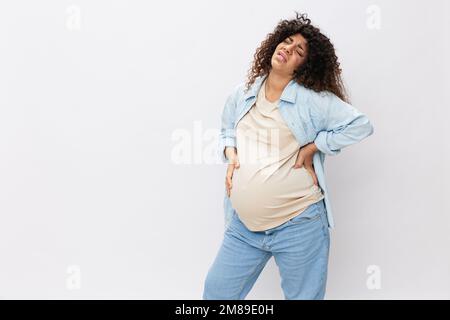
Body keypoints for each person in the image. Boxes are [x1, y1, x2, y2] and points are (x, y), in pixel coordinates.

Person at [203, 11, 374, 300]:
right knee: (216, 293)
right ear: (274, 45)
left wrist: (314, 146)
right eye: (287, 41)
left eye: (299, 51)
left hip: (298, 226)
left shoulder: (311, 100)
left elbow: (361, 125)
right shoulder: (243, 93)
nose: (288, 49)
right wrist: (230, 153)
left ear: (304, 66)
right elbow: (226, 130)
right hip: (244, 227)